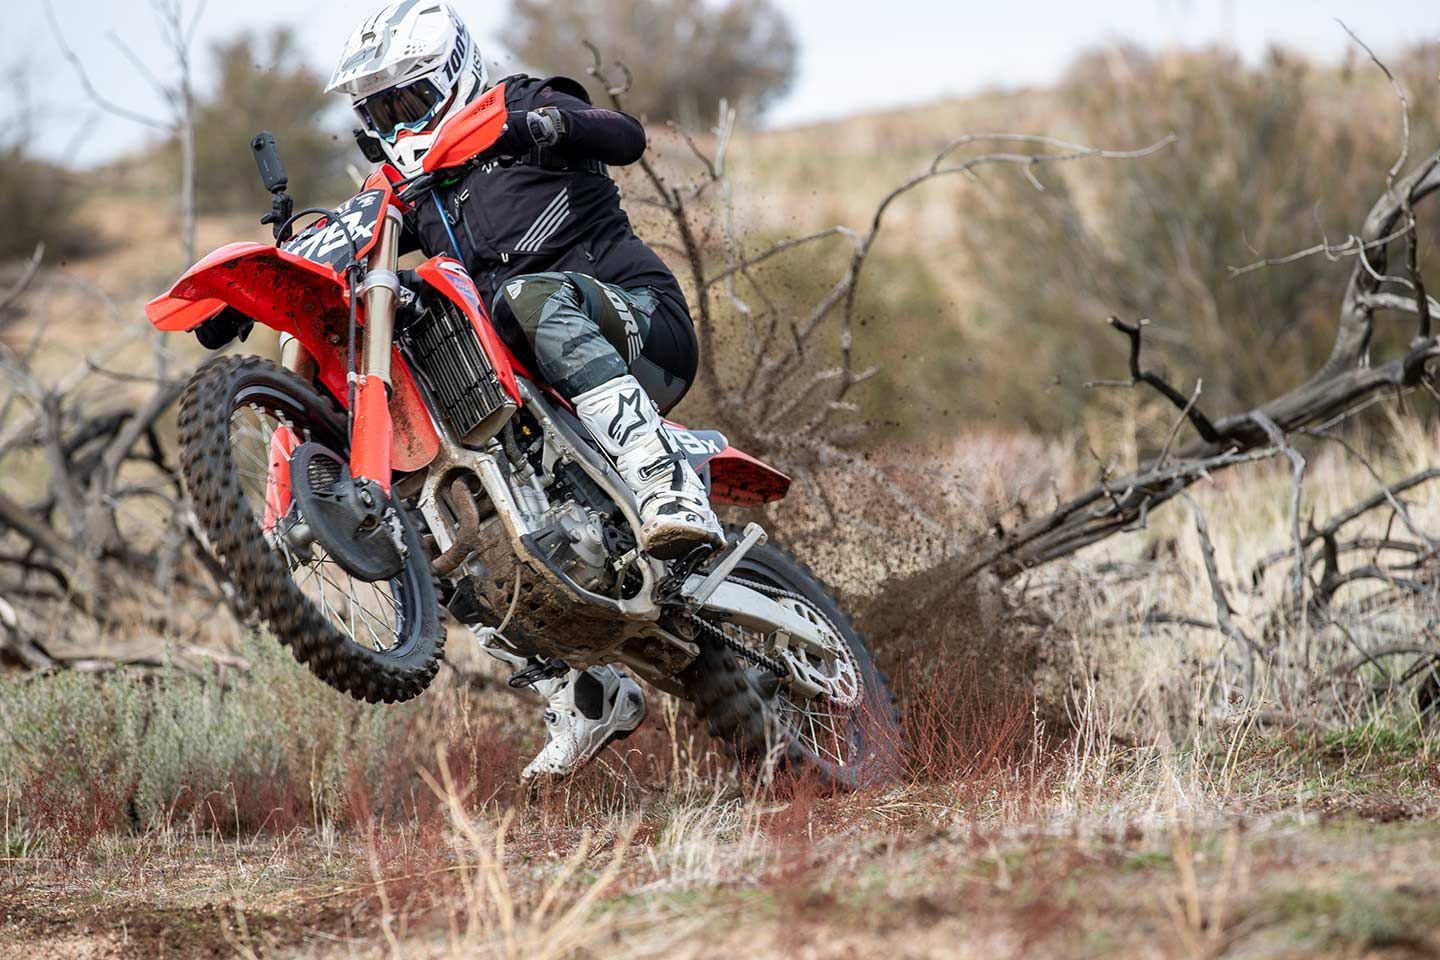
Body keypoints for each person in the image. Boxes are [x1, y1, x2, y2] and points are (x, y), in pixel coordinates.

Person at [327, 0, 722, 779]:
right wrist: (262, 290)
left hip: (641, 326)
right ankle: (574, 689)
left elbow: (624, 136)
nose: (397, 121)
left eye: (409, 99)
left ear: (452, 74)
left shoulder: (519, 105)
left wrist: (551, 125)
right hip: (532, 390)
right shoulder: (408, 190)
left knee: (525, 296)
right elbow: (346, 241)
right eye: (380, 111)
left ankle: (665, 479)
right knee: (425, 501)